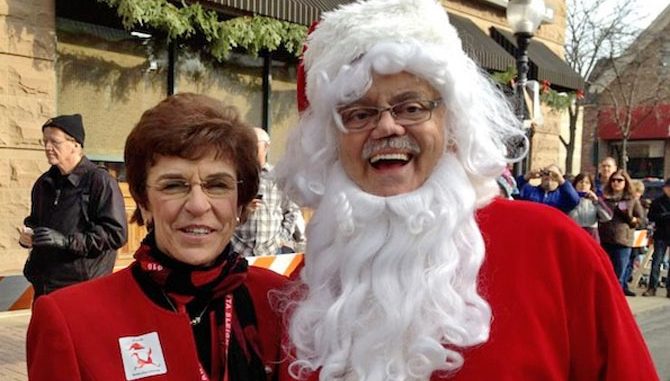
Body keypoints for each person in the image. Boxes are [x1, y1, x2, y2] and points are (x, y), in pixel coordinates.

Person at [274, 0, 659, 380]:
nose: (387, 127)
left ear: (453, 123)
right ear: (330, 143)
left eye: (411, 107)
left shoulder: (553, 246)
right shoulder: (315, 280)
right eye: (358, 114)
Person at [26, 94, 291, 380]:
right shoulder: (70, 319)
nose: (198, 205)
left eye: (217, 184)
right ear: (144, 202)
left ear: (240, 202)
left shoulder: (284, 303)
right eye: (174, 185)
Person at [17, 114, 127, 299]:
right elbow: (35, 222)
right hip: (44, 285)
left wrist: (66, 241)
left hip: (81, 288)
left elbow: (115, 234)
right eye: (44, 141)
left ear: (76, 144)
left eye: (54, 142)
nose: (47, 147)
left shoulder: (99, 181)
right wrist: (28, 236)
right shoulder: (44, 183)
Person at [231, 127, 302, 256]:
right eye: (247, 144)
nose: (249, 149)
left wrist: (282, 237)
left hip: (271, 251)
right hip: (238, 249)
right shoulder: (235, 175)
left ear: (266, 147)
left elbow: (291, 210)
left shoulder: (279, 176)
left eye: (254, 145)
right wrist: (243, 207)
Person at [599, 170, 645, 297]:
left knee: (618, 275)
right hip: (605, 239)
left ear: (626, 182)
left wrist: (631, 219)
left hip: (622, 241)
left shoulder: (631, 199)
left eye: (619, 180)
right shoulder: (605, 198)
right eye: (613, 180)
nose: (616, 183)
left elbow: (641, 220)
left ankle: (616, 302)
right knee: (605, 273)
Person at [644, 178, 670, 298]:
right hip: (661, 234)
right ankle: (652, 287)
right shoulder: (658, 202)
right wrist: (664, 216)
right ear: (665, 188)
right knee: (657, 261)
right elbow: (651, 216)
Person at [516, 164, 580, 213]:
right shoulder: (530, 191)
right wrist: (527, 176)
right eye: (546, 174)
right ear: (541, 176)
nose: (549, 177)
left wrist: (561, 180)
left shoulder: (562, 196)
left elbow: (575, 200)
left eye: (554, 175)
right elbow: (514, 191)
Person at [569, 172, 612, 243]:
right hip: (573, 235)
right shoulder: (569, 199)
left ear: (591, 186)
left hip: (591, 237)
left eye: (587, 182)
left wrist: (597, 201)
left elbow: (607, 217)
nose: (583, 184)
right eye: (581, 182)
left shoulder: (595, 200)